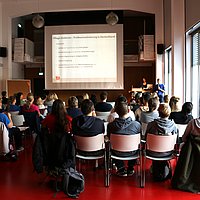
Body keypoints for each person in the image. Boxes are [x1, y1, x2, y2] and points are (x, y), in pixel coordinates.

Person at [107, 101, 141, 176]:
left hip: (116, 152)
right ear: (128, 111)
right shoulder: (137, 125)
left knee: (112, 145)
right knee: (136, 145)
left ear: (116, 111)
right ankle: (131, 167)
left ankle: (120, 167)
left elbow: (109, 138)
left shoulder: (110, 126)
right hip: (133, 152)